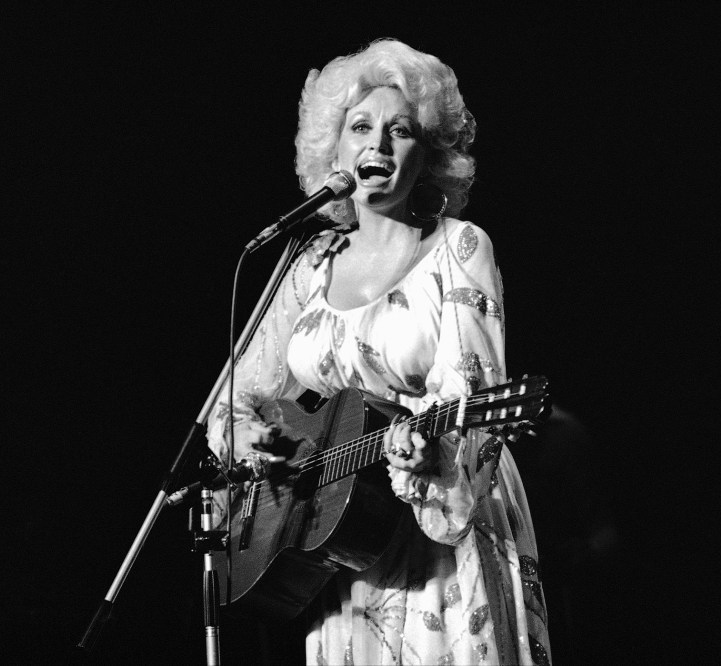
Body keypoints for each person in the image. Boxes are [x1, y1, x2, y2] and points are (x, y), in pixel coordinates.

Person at [206, 38, 551, 665]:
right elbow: (234, 397)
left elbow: (470, 399)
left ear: (429, 156)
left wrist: (424, 455)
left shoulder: (459, 247)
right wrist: (246, 438)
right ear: (334, 149)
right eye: (360, 127)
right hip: (336, 548)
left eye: (401, 131)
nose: (379, 145)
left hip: (439, 537)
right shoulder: (309, 263)